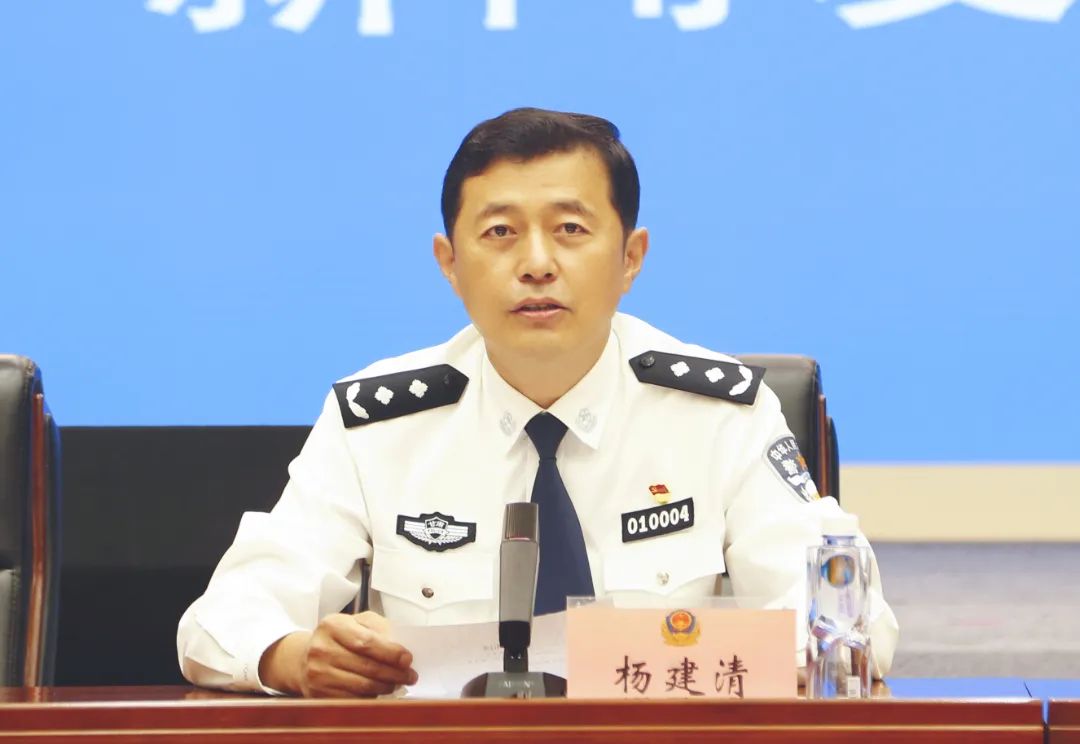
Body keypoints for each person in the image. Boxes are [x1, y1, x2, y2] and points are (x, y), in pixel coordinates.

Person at [177, 107, 899, 698]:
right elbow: (222, 620)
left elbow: (849, 627)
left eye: (570, 230)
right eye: (499, 233)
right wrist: (294, 656)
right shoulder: (377, 423)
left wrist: (756, 658)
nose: (536, 263)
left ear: (631, 257)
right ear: (449, 263)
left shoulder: (721, 414)